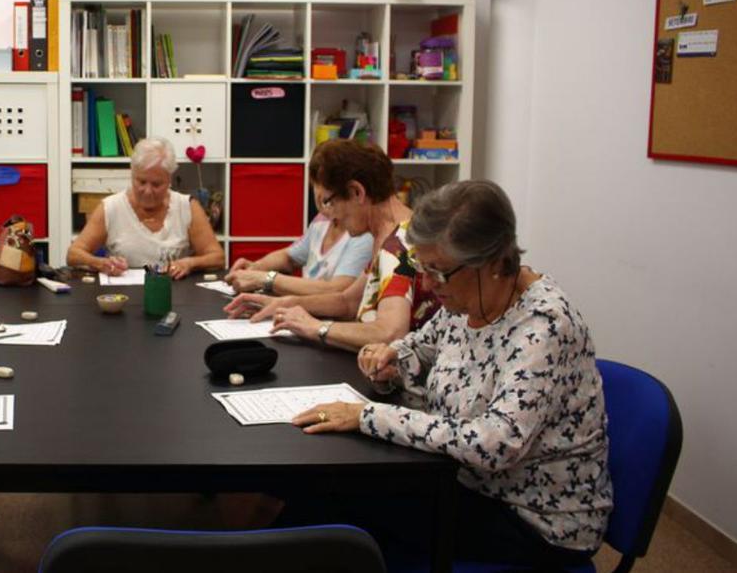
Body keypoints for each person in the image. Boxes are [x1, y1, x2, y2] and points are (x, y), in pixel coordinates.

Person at [287, 180, 613, 567]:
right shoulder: (472, 301)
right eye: (423, 269)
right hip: (462, 481)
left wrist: (367, 416)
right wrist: (390, 360)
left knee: (340, 515)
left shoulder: (543, 326)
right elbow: (421, 347)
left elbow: (494, 443)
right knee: (324, 492)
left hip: (533, 518)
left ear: (492, 263)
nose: (427, 285)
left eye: (438, 273)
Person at [224, 140, 439, 349]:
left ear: (357, 192)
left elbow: (389, 333)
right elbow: (348, 302)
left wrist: (318, 328)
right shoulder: (391, 234)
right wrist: (284, 304)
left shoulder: (398, 246)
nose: (328, 214)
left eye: (328, 201)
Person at [67, 136, 224, 279]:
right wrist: (101, 263)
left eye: (156, 184)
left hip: (176, 297)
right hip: (126, 298)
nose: (147, 191)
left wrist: (189, 263)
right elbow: (73, 254)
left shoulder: (187, 207)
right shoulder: (111, 208)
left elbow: (217, 257)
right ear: (132, 174)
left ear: (169, 179)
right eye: (141, 182)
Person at [225, 166, 374, 296]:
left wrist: (264, 279)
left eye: (328, 200)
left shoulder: (362, 233)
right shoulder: (322, 220)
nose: (325, 207)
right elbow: (289, 257)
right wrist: (255, 268)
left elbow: (337, 290)